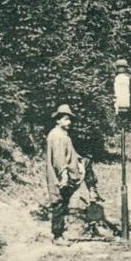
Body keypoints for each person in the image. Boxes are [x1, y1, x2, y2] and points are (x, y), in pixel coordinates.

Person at [45, 104, 83, 245]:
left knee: (63, 204)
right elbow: (59, 159)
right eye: (66, 119)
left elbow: (69, 153)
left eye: (69, 119)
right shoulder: (57, 136)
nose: (69, 122)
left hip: (64, 176)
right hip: (60, 177)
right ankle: (57, 236)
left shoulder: (61, 135)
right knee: (59, 204)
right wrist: (64, 175)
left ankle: (60, 233)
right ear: (58, 120)